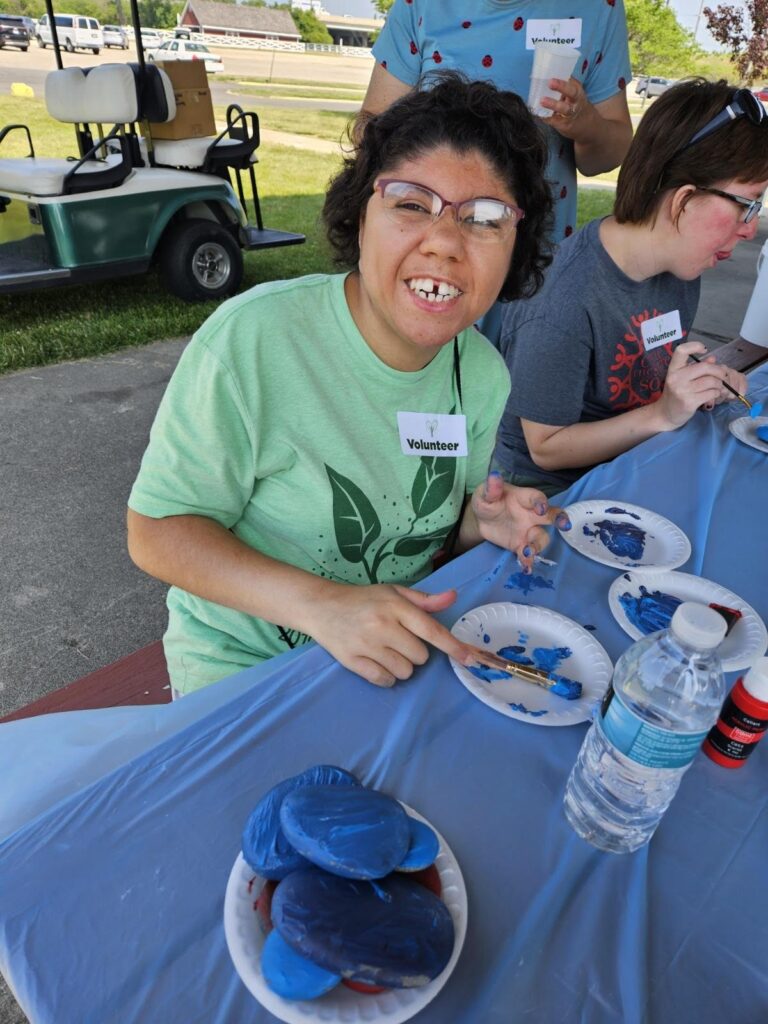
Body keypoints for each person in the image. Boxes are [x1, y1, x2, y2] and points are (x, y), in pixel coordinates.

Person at [127, 73, 569, 696]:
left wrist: (483, 525)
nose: (443, 243)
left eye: (485, 219)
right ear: (362, 216)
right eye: (411, 203)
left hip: (390, 650)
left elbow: (442, 530)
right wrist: (324, 606)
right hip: (244, 668)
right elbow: (158, 531)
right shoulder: (254, 338)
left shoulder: (483, 372)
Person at [492, 78, 768, 495]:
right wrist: (664, 414)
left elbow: (646, 363)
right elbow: (546, 448)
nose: (751, 229)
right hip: (544, 491)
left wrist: (694, 382)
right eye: (747, 206)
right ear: (684, 200)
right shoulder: (562, 300)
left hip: (627, 460)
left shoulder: (680, 272)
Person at [363, 1, 633, 261]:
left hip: (536, 250)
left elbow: (611, 153)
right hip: (434, 239)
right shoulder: (420, 5)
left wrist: (585, 124)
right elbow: (372, 130)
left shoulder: (598, 7)